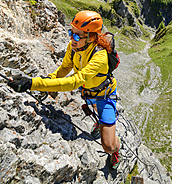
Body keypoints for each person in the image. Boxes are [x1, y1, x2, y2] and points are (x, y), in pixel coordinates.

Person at [8, 10, 121, 170]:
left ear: (92, 37)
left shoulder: (100, 56)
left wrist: (33, 83)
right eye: (71, 33)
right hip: (89, 93)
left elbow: (76, 81)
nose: (72, 39)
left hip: (104, 95)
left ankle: (117, 150)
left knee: (108, 146)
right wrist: (48, 79)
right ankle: (99, 122)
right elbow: (65, 68)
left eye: (77, 36)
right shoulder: (74, 47)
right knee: (96, 111)